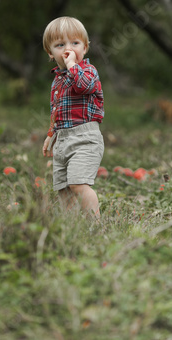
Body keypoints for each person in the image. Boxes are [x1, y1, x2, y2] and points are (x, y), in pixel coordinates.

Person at [42, 16, 105, 220]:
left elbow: (84, 86)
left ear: (85, 48)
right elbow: (56, 111)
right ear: (51, 53)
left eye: (75, 43)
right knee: (63, 189)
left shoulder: (88, 71)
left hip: (85, 139)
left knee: (78, 184)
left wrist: (72, 66)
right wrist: (51, 135)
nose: (68, 49)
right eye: (60, 45)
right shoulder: (57, 82)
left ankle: (95, 224)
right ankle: (70, 226)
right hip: (63, 139)